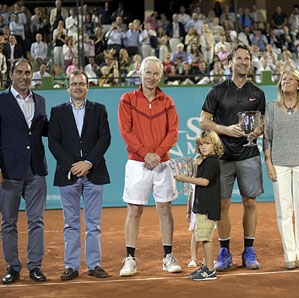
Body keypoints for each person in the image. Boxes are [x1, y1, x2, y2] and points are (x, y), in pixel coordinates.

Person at [199, 43, 266, 271]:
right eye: (238, 58)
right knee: (223, 203)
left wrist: (258, 130)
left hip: (249, 154)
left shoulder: (257, 93)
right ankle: (225, 251)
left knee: (250, 202)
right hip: (222, 156)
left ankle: (249, 250)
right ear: (230, 62)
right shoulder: (217, 90)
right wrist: (226, 130)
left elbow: (262, 122)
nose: (243, 62)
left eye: (246, 58)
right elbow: (203, 121)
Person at [0, 58, 49, 284]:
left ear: (32, 75)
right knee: (8, 223)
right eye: (20, 72)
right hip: (8, 172)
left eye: (28, 72)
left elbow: (44, 130)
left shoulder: (40, 100)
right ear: (11, 74)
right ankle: (12, 267)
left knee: (36, 221)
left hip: (36, 171)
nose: (24, 76)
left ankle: (35, 266)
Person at [118, 56, 181, 276]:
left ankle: (167, 257)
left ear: (160, 76)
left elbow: (173, 133)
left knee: (165, 209)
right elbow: (126, 132)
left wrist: (158, 154)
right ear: (140, 73)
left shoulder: (168, 101)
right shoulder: (127, 99)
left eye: (155, 73)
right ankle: (129, 259)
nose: (151, 77)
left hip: (162, 164)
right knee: (134, 210)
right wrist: (146, 154)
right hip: (137, 163)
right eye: (148, 73)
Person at [47, 70, 111, 281]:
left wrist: (88, 162)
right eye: (74, 84)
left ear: (87, 87)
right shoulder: (57, 111)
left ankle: (94, 264)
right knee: (71, 223)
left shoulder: (99, 109)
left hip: (95, 172)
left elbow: (105, 138)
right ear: (68, 87)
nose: (78, 87)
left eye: (81, 84)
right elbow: (53, 142)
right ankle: (71, 266)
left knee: (93, 223)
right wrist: (73, 165)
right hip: (68, 174)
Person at [263, 66, 299, 270]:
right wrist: (268, 162)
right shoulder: (271, 107)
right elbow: (266, 136)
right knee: (283, 210)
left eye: (289, 79)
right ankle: (290, 254)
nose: (285, 81)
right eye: (283, 79)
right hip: (279, 163)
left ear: (298, 85)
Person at [174, 130, 224, 281]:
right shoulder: (205, 161)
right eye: (201, 144)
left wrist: (185, 178)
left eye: (207, 143)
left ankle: (209, 270)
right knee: (203, 236)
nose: (203, 147)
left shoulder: (212, 162)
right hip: (202, 205)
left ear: (215, 145)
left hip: (207, 207)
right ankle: (207, 266)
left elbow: (205, 181)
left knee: (206, 238)